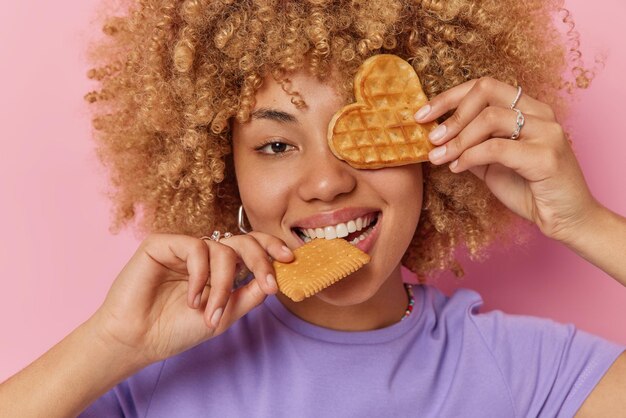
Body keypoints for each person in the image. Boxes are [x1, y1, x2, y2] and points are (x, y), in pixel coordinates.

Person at [1, 0, 625, 416]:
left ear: (429, 149)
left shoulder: (525, 374)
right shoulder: (152, 367)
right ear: (225, 173)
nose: (326, 183)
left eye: (364, 133)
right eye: (276, 144)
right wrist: (113, 343)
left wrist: (583, 223)